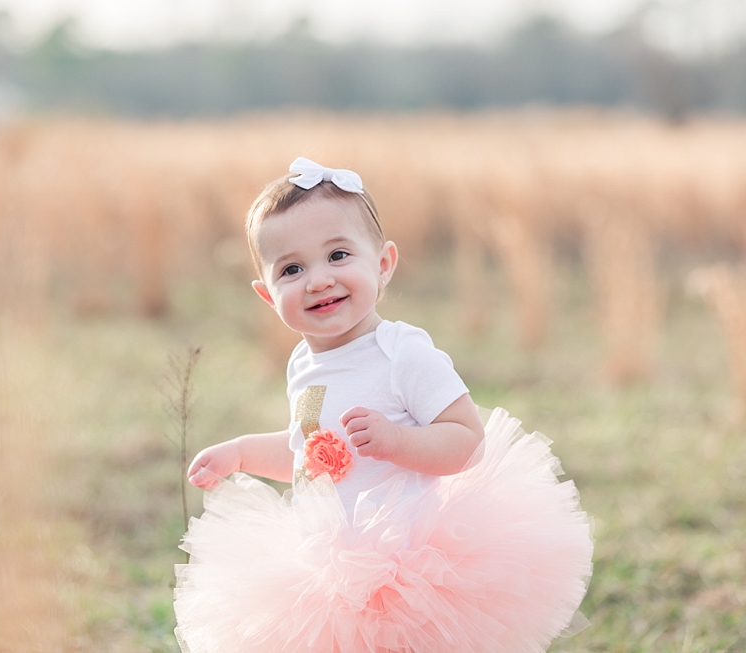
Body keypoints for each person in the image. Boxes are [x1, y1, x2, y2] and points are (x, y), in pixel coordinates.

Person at [173, 157, 593, 653]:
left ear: (383, 263)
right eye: (291, 268)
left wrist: (399, 442)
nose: (318, 280)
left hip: (410, 569)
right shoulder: (303, 365)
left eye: (338, 256)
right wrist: (242, 453)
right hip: (329, 573)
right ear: (268, 295)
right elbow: (314, 459)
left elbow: (466, 442)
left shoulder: (401, 352)